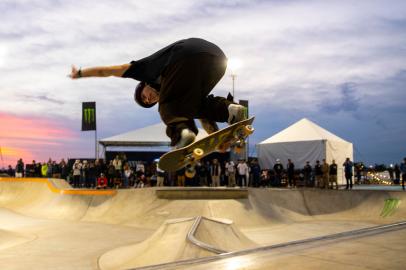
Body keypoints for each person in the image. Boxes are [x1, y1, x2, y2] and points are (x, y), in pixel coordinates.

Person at [69, 38, 247, 149]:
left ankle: (182, 131)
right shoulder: (179, 89)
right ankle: (230, 110)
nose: (149, 98)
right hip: (217, 60)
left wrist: (80, 73)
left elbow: (107, 71)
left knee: (168, 108)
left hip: (185, 54)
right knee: (194, 106)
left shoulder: (144, 70)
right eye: (148, 102)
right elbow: (202, 114)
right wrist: (215, 139)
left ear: (143, 84)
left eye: (145, 95)